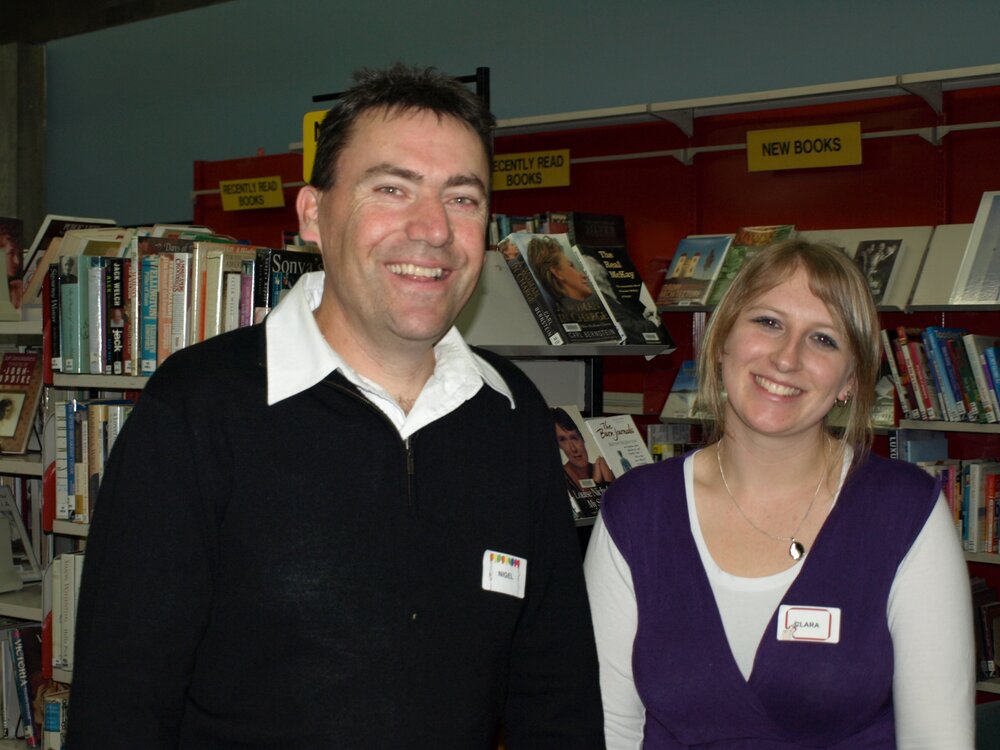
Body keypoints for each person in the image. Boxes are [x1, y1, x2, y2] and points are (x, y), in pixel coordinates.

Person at [67, 64, 604, 749]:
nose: (433, 229)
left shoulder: (513, 415)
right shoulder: (199, 410)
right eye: (392, 189)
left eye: (462, 198)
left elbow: (555, 693)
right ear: (313, 216)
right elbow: (119, 712)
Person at [584, 239, 975, 748]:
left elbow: (937, 739)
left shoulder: (905, 512)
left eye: (824, 340)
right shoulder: (635, 512)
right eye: (768, 323)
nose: (787, 358)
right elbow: (610, 727)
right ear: (720, 341)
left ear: (851, 381)